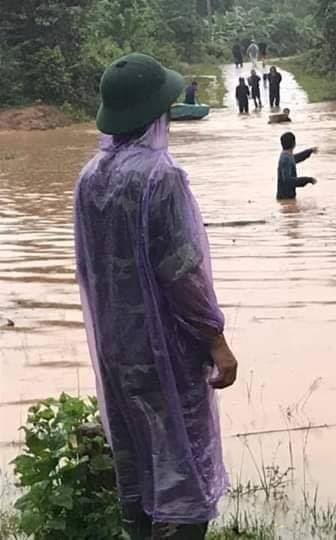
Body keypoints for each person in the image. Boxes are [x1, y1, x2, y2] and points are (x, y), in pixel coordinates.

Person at [73, 52, 238, 540]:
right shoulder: (160, 177)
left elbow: (89, 268)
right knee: (184, 468)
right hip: (165, 350)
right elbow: (182, 273)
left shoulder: (90, 177)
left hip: (115, 348)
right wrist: (216, 340)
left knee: (139, 459)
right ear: (157, 112)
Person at [277, 131, 318, 200]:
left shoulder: (286, 155)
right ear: (294, 143)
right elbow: (287, 180)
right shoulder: (286, 158)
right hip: (285, 198)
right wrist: (307, 180)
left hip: (286, 198)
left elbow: (296, 158)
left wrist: (310, 151)